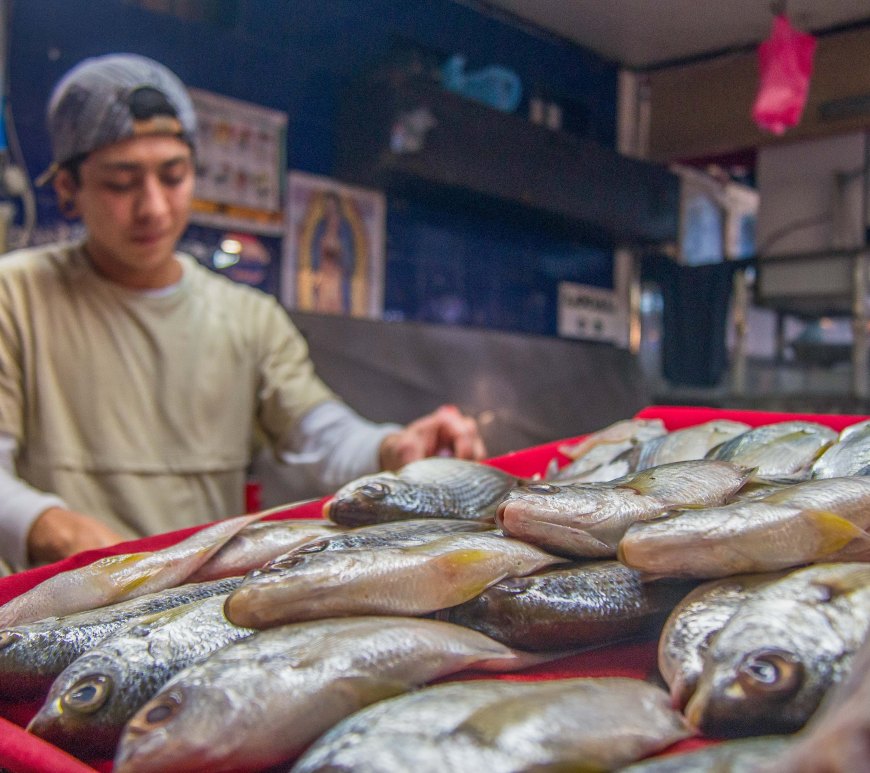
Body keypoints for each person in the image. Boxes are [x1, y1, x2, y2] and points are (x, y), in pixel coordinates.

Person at [0, 53, 486, 572]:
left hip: (197, 599)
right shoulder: (16, 297)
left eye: (174, 176)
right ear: (68, 188)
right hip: (58, 600)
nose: (154, 207)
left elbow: (320, 435)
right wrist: (49, 527)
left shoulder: (248, 318)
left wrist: (395, 447)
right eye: (121, 183)